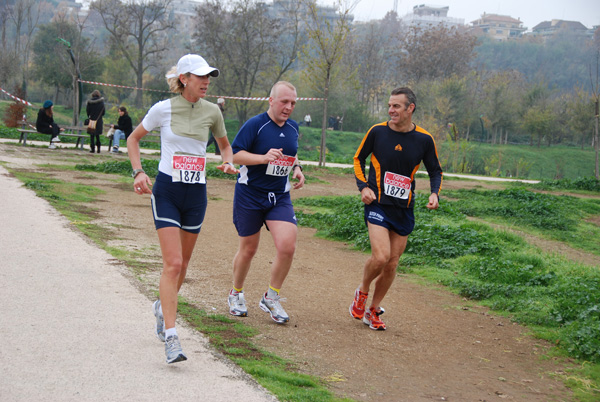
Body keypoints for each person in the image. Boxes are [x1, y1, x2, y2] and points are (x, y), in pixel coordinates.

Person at [127, 54, 238, 363]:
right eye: (201, 76)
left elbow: (224, 146)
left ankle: (162, 307)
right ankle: (172, 337)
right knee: (173, 263)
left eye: (209, 77)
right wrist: (138, 171)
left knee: (184, 263)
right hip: (167, 192)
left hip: (196, 195)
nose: (206, 81)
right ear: (184, 78)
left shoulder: (213, 111)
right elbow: (133, 139)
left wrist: (227, 161)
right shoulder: (162, 109)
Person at [349, 87, 443, 331]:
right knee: (380, 257)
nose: (391, 110)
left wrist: (434, 193)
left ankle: (373, 310)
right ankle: (362, 291)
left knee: (391, 264)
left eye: (396, 106)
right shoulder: (377, 132)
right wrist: (363, 188)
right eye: (390, 106)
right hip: (377, 203)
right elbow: (359, 158)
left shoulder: (424, 139)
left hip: (404, 208)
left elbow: (435, 170)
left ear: (410, 108)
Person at [228, 81, 305, 324]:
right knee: (249, 249)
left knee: (287, 246)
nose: (288, 107)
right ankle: (236, 293)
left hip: (279, 197)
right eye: (284, 101)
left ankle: (271, 297)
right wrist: (262, 158)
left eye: (292, 103)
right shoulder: (256, 125)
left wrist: (297, 167)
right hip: (250, 193)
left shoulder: (293, 127)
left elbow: (291, 153)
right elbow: (234, 154)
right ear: (271, 100)